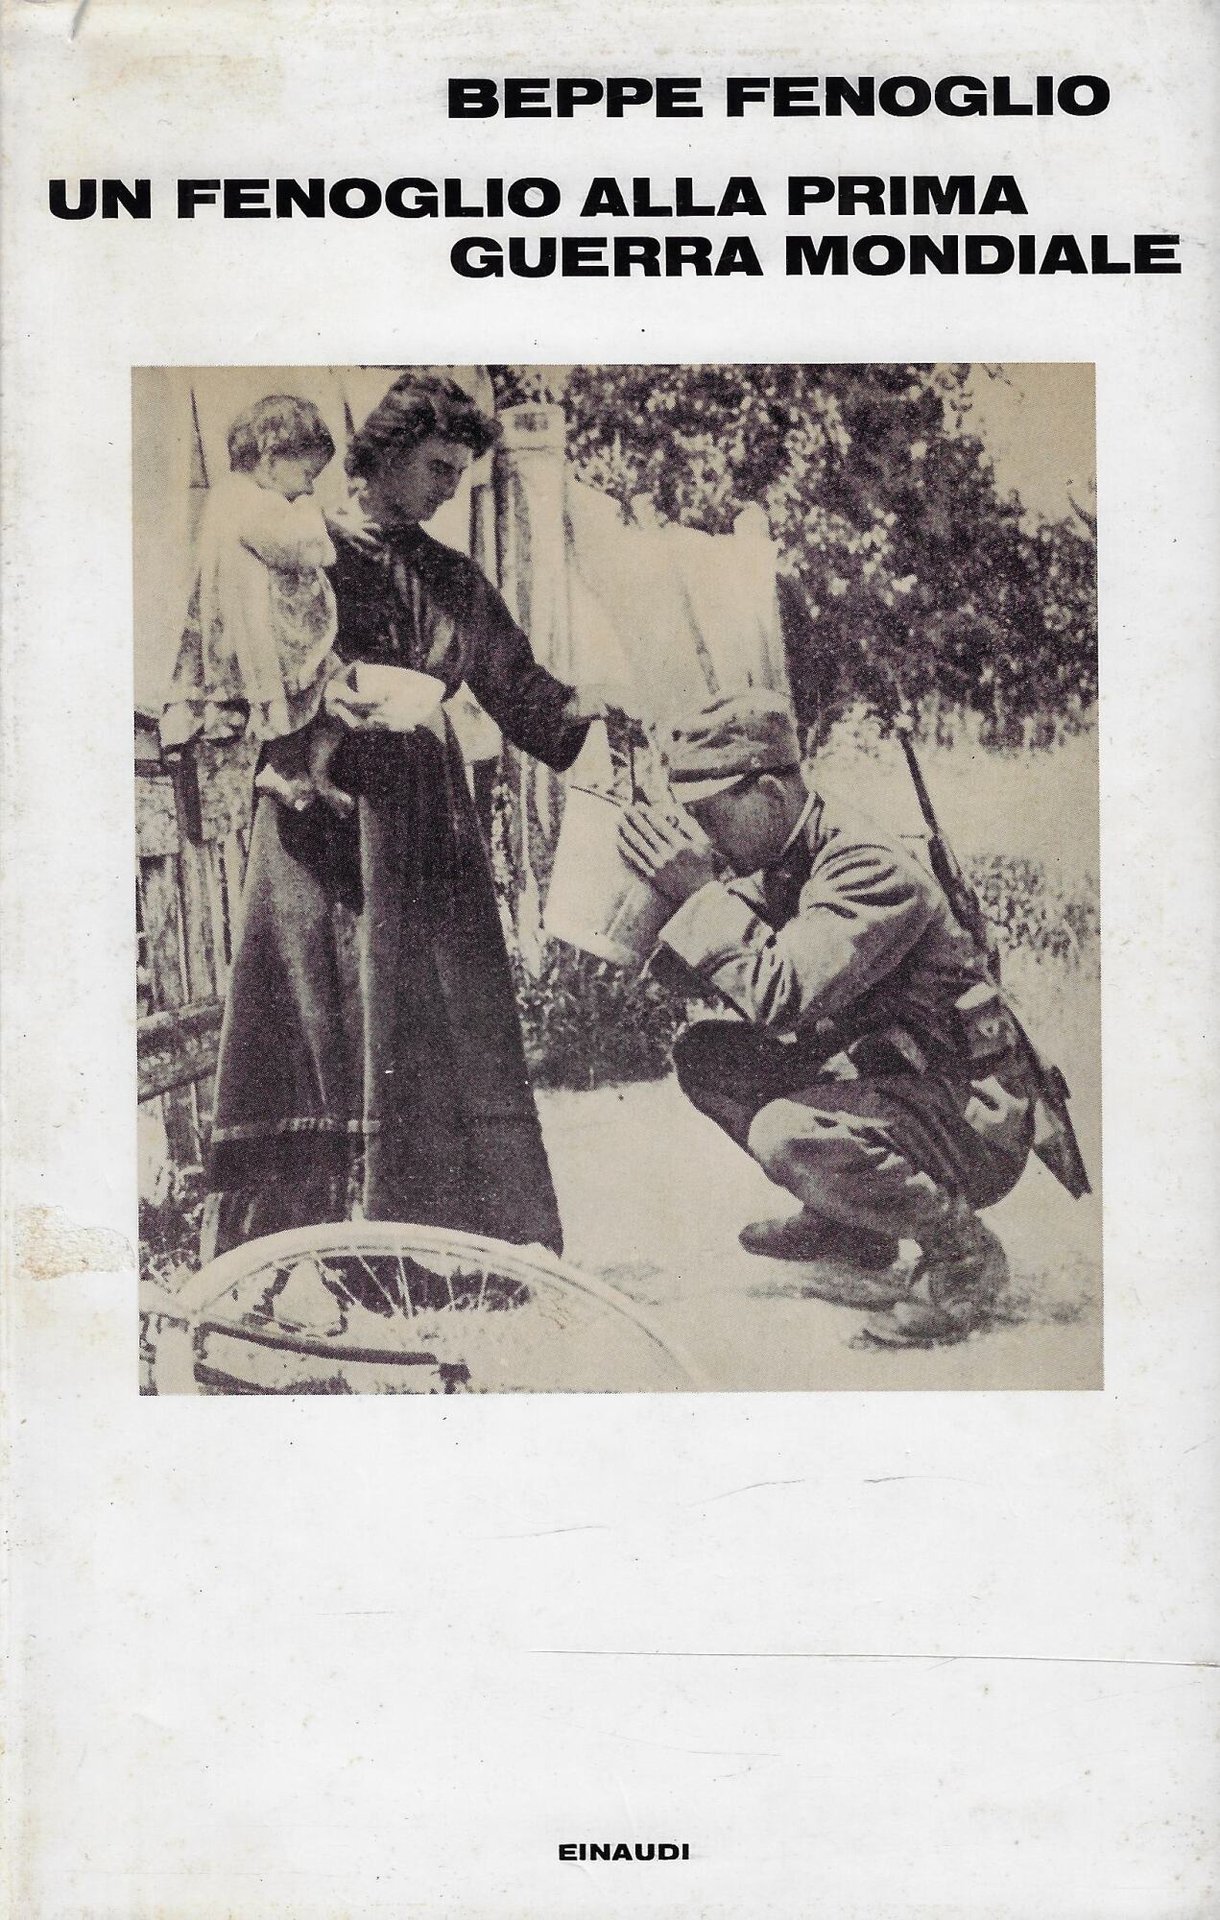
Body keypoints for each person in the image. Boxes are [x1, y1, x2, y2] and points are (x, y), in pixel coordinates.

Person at [200, 373, 623, 1264]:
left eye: (461, 474)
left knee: (433, 1024)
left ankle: (440, 1254)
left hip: (422, 823)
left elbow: (522, 691)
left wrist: (602, 709)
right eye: (437, 468)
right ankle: (289, 1256)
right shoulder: (297, 543)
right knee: (315, 1015)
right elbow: (236, 650)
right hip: (316, 813)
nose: (449, 490)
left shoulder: (452, 578)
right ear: (384, 455)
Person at [617, 692, 1035, 1347]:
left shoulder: (867, 867)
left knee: (784, 1133)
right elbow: (719, 968)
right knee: (709, 1055)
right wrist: (652, 912)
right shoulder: (786, 850)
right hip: (896, 1081)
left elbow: (779, 994)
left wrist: (699, 896)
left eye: (709, 815)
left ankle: (963, 1253)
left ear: (770, 793)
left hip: (969, 1121)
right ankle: (853, 1225)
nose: (703, 835)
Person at [160, 393, 352, 816]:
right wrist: (314, 514)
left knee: (325, 689)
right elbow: (302, 547)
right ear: (270, 458)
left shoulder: (238, 497)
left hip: (251, 633)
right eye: (307, 474)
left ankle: (308, 772)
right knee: (312, 689)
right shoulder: (246, 500)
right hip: (258, 639)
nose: (308, 488)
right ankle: (285, 771)